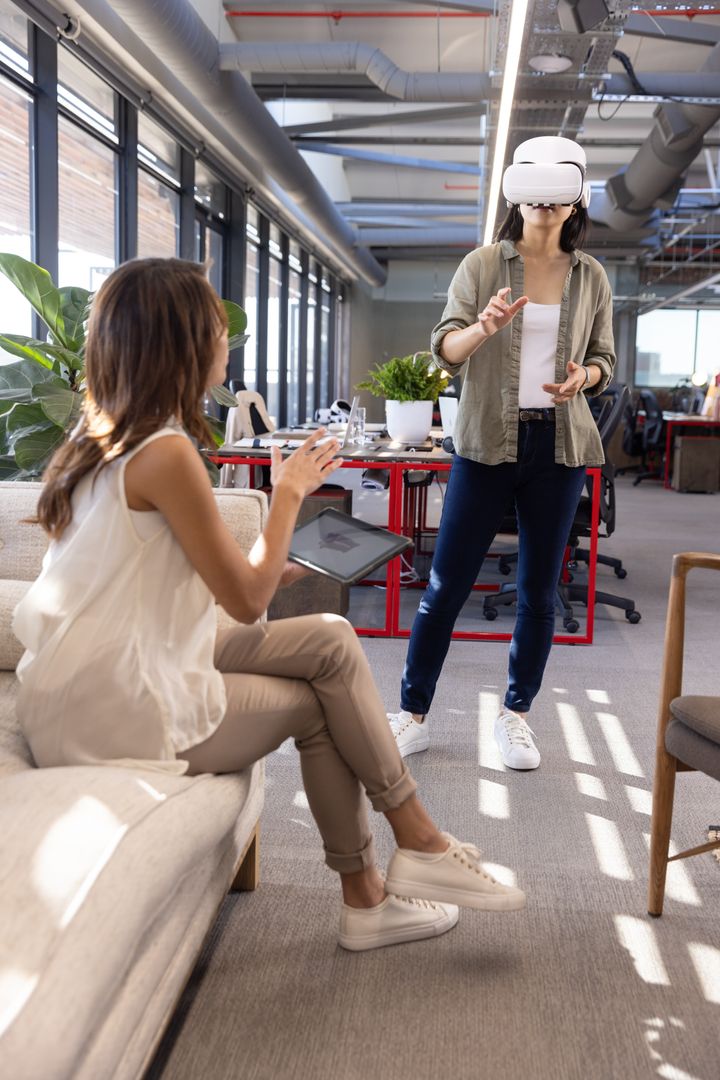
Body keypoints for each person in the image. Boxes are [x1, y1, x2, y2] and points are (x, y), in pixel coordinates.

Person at [12, 257, 525, 954]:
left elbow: (191, 581)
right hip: (114, 707)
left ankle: (416, 844)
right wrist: (287, 493)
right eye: (219, 330)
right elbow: (245, 598)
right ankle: (377, 887)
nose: (228, 343)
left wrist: (268, 565)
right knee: (320, 708)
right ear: (185, 343)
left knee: (332, 638)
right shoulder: (164, 453)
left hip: (96, 671)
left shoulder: (96, 439)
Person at [387, 137, 615, 771]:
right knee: (444, 585)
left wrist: (584, 380)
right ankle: (413, 713)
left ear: (574, 202)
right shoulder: (483, 264)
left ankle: (516, 716)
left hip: (560, 446)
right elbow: (444, 350)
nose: (543, 209)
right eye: (534, 198)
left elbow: (605, 359)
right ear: (520, 199)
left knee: (542, 590)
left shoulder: (591, 274)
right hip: (486, 440)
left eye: (555, 199)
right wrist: (482, 329)